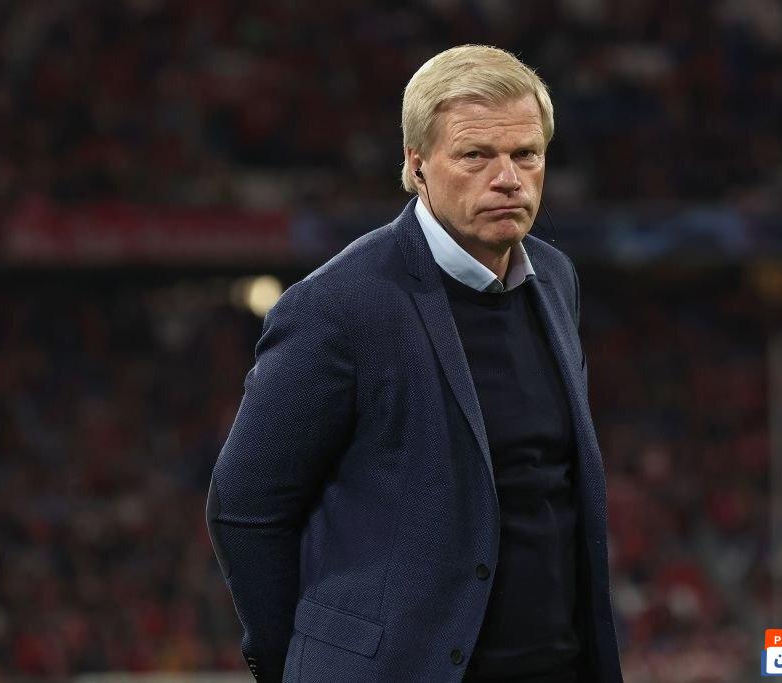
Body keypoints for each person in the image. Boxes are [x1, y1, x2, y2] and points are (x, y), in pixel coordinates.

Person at [206, 44, 622, 682]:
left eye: (526, 154)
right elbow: (244, 506)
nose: (508, 178)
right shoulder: (337, 305)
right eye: (476, 155)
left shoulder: (555, 278)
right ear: (417, 164)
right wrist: (299, 663)